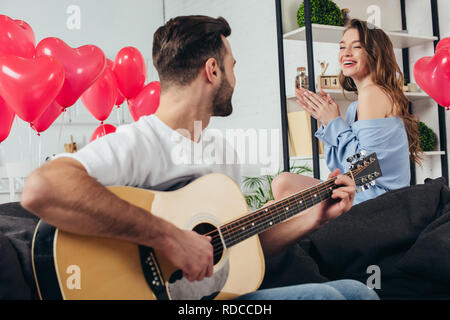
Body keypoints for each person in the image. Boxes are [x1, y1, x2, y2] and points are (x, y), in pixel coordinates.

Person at [16, 15, 377, 300]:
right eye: (232, 66)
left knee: (354, 292)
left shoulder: (221, 153)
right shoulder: (138, 142)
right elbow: (41, 189)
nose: (235, 77)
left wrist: (312, 218)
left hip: (212, 296)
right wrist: (169, 237)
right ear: (212, 70)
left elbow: (233, 249)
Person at [272, 19, 421, 206]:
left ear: (375, 53)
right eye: (342, 47)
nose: (346, 53)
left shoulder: (373, 93)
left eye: (356, 47)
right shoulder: (355, 107)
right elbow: (339, 169)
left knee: (284, 188)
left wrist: (334, 122)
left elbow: (364, 172)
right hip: (357, 194)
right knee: (283, 183)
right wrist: (327, 122)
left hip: (378, 204)